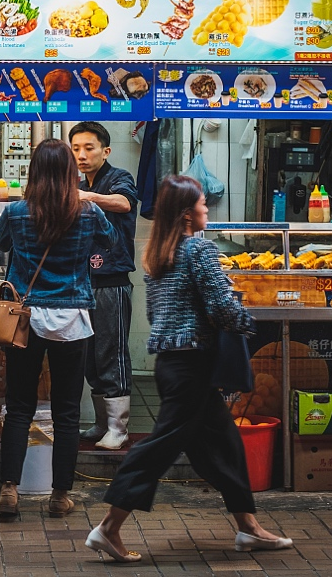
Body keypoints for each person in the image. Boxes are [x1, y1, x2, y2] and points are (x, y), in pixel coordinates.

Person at [85, 175, 292, 563]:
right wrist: (248, 322)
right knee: (158, 448)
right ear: (186, 214)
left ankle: (249, 528)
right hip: (192, 365)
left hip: (173, 364)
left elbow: (161, 312)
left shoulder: (157, 254)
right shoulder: (198, 251)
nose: (206, 209)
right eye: (202, 204)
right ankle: (108, 528)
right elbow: (221, 307)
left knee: (226, 445)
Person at [0, 139, 118, 519]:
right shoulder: (87, 211)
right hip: (72, 319)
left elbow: (0, 244)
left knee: (18, 408)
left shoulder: (15, 211)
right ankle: (60, 495)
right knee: (66, 412)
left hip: (25, 319)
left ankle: (9, 490)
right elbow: (109, 242)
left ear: (33, 171)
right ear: (70, 173)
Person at [69, 121, 138, 450]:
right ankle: (101, 422)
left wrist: (86, 196)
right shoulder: (80, 182)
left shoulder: (119, 178)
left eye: (89, 148)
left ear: (105, 151)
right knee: (90, 357)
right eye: (76, 149)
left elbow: (124, 204)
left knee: (112, 352)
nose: (81, 155)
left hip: (111, 281)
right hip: (83, 282)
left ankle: (119, 427)